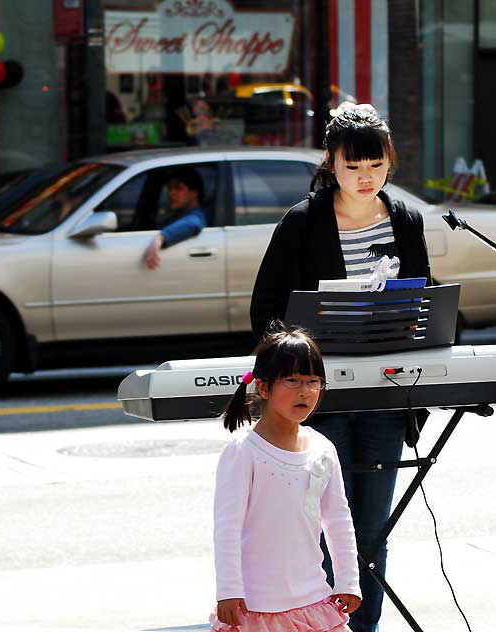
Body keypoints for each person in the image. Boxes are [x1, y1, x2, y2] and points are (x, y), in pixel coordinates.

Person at [250, 102, 431, 632]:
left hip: (382, 396)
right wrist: (298, 361)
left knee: (371, 529)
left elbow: (421, 299)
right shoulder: (304, 222)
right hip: (318, 397)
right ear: (331, 163)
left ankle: (363, 628)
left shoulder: (405, 219)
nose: (365, 176)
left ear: (389, 163)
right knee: (321, 526)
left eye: (375, 165)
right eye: (353, 167)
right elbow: (266, 309)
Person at [210, 323, 361, 632]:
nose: (305, 391)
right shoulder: (243, 451)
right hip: (256, 606)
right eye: (292, 380)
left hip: (314, 599)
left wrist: (348, 580)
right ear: (263, 388)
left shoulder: (323, 448)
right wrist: (228, 590)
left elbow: (338, 521)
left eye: (313, 381)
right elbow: (226, 528)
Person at [143, 166, 207, 269]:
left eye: (178, 188)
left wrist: (160, 238)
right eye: (170, 188)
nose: (171, 193)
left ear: (194, 193)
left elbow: (193, 223)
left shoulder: (197, 216)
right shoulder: (176, 216)